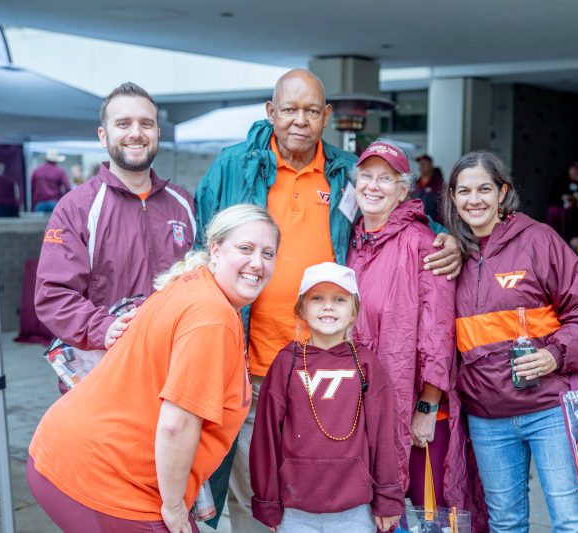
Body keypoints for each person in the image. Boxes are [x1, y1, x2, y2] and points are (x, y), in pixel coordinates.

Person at [194, 68, 462, 531]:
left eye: (312, 111)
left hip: (329, 366)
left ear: (327, 117)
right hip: (251, 368)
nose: (300, 120)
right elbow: (201, 250)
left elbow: (392, 213)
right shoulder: (233, 166)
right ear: (270, 112)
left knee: (328, 487)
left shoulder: (343, 173)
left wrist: (446, 238)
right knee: (250, 489)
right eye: (290, 109)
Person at [28, 204, 279, 533]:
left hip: (71, 457)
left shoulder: (192, 284)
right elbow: (178, 424)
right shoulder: (212, 316)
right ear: (215, 250)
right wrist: (175, 507)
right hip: (105, 479)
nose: (257, 263)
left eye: (268, 253)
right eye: (245, 248)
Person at [443, 150, 578, 532]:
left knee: (572, 520)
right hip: (486, 416)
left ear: (503, 192)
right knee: (505, 522)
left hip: (549, 407)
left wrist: (554, 355)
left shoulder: (538, 240)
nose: (474, 199)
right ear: (452, 197)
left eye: (484, 188)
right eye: (463, 191)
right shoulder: (450, 254)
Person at [346, 139, 485, 529]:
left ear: (403, 188)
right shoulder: (355, 242)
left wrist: (425, 409)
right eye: (366, 177)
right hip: (371, 408)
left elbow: (439, 335)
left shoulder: (423, 244)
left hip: (422, 411)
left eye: (385, 179)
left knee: (433, 515)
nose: (373, 186)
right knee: (383, 514)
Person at [35, 82, 196, 379]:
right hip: (109, 370)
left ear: (157, 133)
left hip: (176, 367)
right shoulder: (76, 208)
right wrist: (104, 327)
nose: (136, 133)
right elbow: (54, 295)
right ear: (103, 135)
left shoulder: (183, 203)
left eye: (146, 123)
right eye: (123, 123)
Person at [250, 262, 404, 532]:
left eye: (340, 299)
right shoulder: (287, 363)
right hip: (296, 510)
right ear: (302, 308)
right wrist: (267, 502)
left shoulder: (367, 364)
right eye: (317, 298)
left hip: (355, 510)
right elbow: (266, 437)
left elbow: (383, 436)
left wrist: (388, 497)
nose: (328, 306)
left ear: (354, 311)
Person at [413, 154, 444, 222]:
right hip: (416, 223)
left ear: (431, 165)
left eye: (424, 163)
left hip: (433, 226)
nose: (421, 166)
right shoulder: (416, 184)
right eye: (420, 164)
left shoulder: (439, 184)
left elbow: (442, 208)